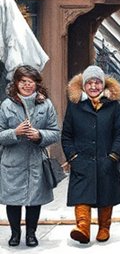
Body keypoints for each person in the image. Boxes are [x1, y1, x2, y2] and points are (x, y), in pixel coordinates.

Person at [62, 64, 120, 244]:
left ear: (103, 85)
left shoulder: (113, 106)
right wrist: (73, 157)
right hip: (82, 160)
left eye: (97, 82)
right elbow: (67, 135)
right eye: (89, 83)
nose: (93, 86)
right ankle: (82, 227)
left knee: (106, 194)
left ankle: (104, 227)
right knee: (81, 194)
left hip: (106, 160)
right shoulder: (75, 106)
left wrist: (114, 156)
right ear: (83, 85)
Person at [0, 65, 60, 248]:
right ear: (16, 83)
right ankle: (15, 234)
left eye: (31, 82)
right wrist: (15, 133)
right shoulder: (6, 105)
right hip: (13, 161)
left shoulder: (45, 104)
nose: (27, 85)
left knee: (35, 200)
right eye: (23, 82)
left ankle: (32, 234)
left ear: (36, 84)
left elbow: (55, 132)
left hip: (36, 161)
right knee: (13, 200)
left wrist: (40, 135)